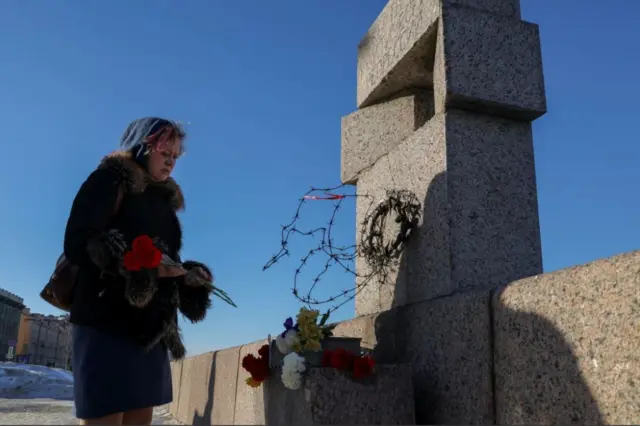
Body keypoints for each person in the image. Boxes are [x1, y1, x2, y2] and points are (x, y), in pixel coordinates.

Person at [63, 117, 214, 425]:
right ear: (143, 147)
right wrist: (134, 265)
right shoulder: (108, 181)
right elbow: (78, 242)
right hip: (105, 322)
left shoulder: (163, 202)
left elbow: (164, 262)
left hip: (148, 331)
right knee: (105, 418)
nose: (171, 162)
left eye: (175, 156)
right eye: (165, 153)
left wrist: (188, 276)